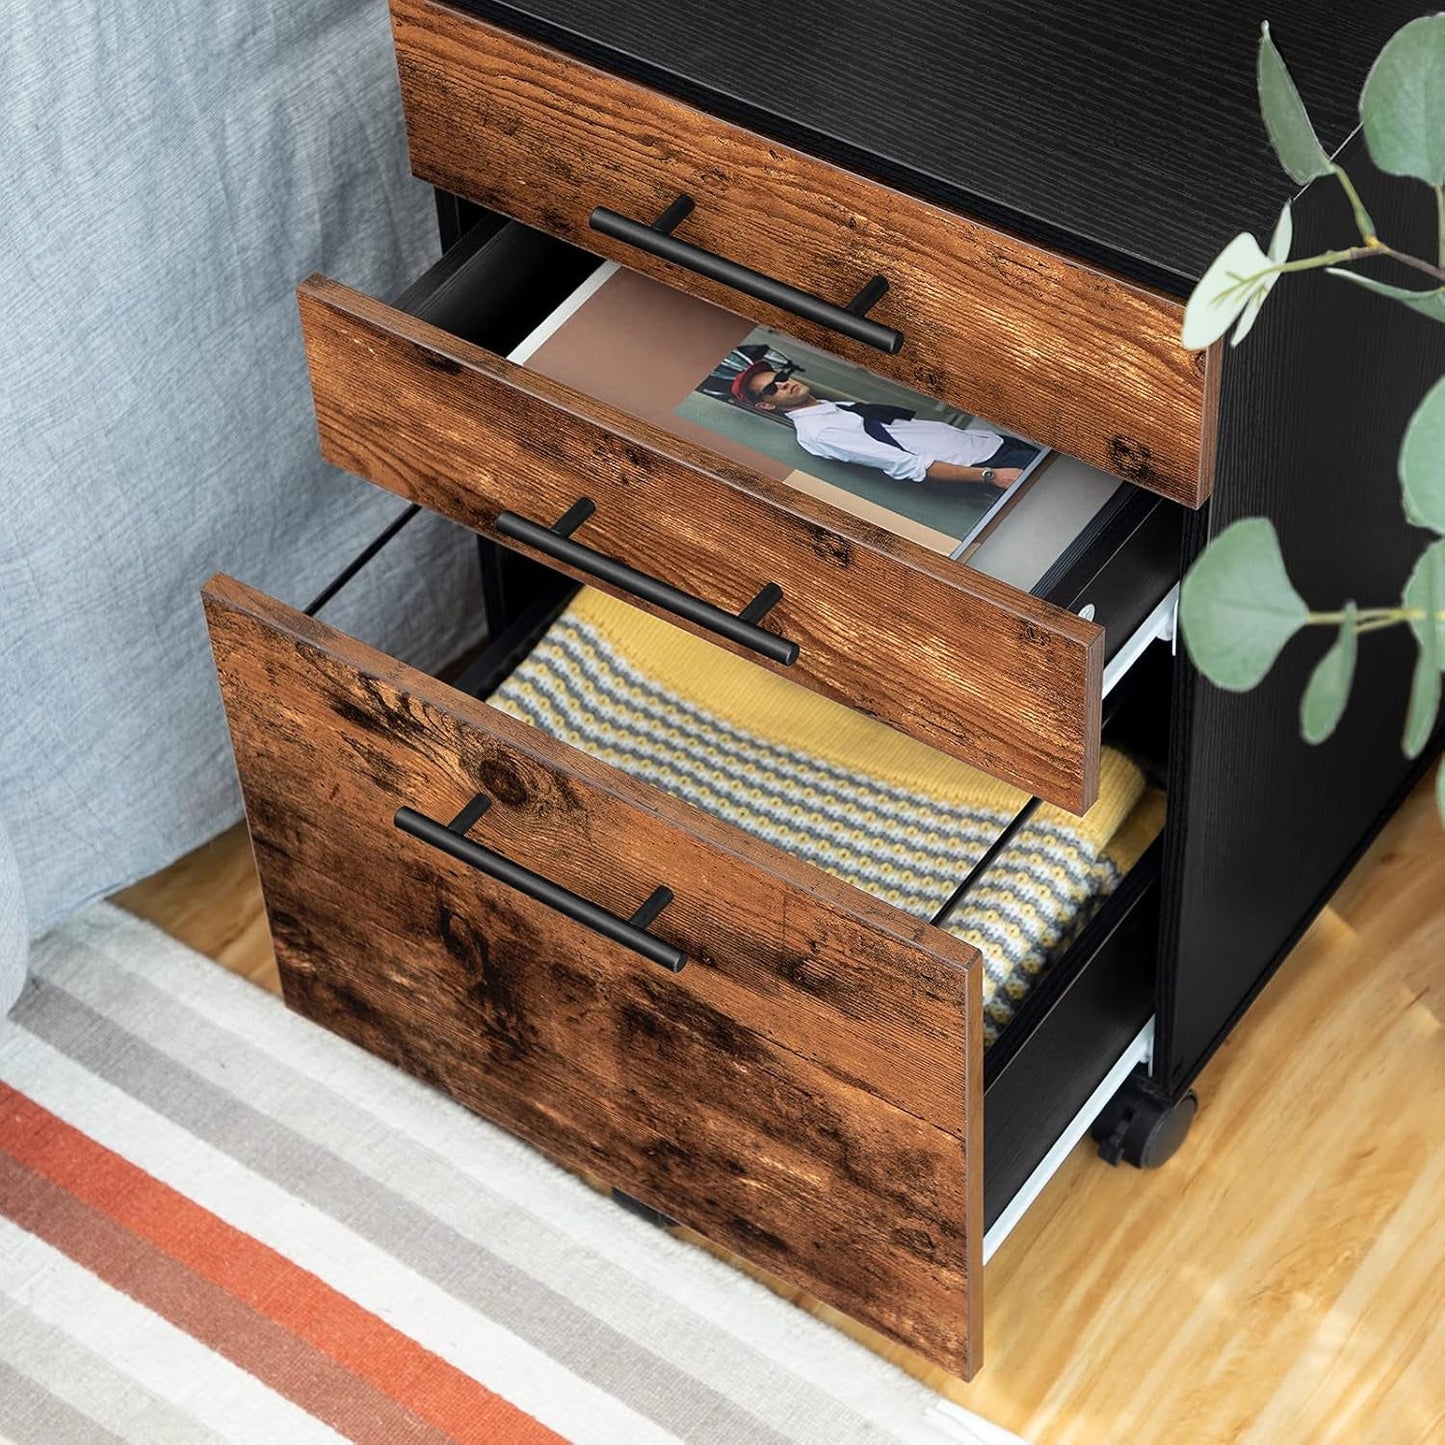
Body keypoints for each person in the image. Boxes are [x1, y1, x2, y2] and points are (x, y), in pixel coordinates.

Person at [732, 358, 1036, 489]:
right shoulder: (819, 431)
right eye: (771, 389)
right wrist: (990, 475)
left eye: (780, 378)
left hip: (987, 443)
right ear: (766, 404)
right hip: (989, 464)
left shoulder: (830, 409)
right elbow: (907, 465)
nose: (783, 385)